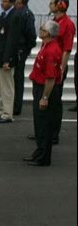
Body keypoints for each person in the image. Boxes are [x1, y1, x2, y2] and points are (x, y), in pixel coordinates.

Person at [24, 21, 64, 166]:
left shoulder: (52, 51)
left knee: (44, 124)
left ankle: (44, 156)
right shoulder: (45, 46)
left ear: (48, 33)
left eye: (42, 29)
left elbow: (51, 77)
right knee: (39, 123)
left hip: (45, 89)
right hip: (39, 86)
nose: (40, 30)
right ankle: (39, 151)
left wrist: (44, 97)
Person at [0, 0, 23, 123]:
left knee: (7, 86)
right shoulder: (4, 15)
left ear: (12, 2)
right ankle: (1, 109)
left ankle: (7, 113)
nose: (2, 4)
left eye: (5, 1)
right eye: (2, 1)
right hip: (0, 55)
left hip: (6, 57)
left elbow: (12, 40)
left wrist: (7, 59)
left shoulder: (14, 16)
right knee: (1, 86)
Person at [49, 0, 75, 142]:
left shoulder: (68, 24)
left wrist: (61, 68)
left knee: (55, 101)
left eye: (52, 3)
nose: (50, 5)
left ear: (60, 5)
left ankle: (53, 134)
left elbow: (67, 49)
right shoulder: (54, 21)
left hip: (58, 66)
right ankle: (45, 131)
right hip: (50, 64)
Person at [12, 0, 37, 116]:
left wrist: (26, 49)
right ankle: (11, 104)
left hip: (20, 49)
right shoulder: (17, 11)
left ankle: (16, 106)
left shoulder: (26, 14)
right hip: (15, 49)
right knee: (13, 77)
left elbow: (31, 35)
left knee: (18, 77)